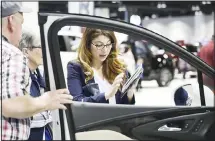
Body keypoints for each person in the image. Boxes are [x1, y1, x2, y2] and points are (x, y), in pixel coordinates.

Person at [1, 2, 73, 140]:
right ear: (11, 21)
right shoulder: (11, 54)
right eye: (21, 23)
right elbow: (10, 104)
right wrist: (45, 101)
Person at [67, 28, 136, 104]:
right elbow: (77, 102)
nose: (105, 50)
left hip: (119, 115)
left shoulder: (118, 67)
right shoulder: (76, 67)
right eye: (99, 45)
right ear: (88, 44)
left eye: (108, 44)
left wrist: (130, 93)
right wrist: (107, 95)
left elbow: (125, 106)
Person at [19, 30, 52, 140]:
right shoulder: (19, 76)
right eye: (40, 46)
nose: (45, 50)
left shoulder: (39, 74)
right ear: (26, 51)